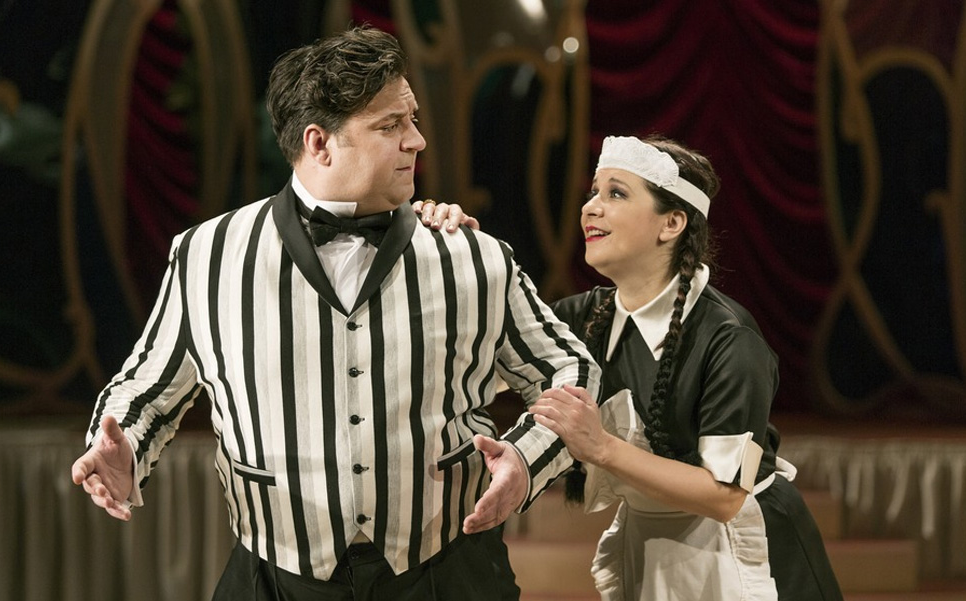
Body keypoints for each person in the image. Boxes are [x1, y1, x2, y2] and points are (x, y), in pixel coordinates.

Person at [70, 26, 600, 601]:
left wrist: (526, 459)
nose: (417, 140)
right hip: (275, 571)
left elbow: (570, 372)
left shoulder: (473, 256)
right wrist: (121, 448)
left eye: (413, 119)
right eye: (390, 125)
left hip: (448, 568)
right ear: (319, 143)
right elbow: (146, 390)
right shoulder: (208, 255)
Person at [524, 135, 844, 600]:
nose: (590, 208)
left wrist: (602, 447)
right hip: (653, 546)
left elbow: (724, 495)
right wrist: (452, 241)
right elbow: (489, 342)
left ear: (672, 223)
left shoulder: (729, 337)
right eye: (593, 192)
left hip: (744, 554)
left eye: (616, 193)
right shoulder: (585, 316)